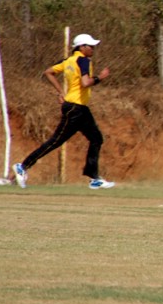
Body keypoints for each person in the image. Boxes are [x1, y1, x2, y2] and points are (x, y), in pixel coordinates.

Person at [12, 33, 115, 190]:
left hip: (78, 107)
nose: (93, 49)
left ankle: (94, 177)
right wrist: (100, 77)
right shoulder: (83, 60)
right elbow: (85, 82)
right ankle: (23, 166)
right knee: (56, 141)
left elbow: (48, 72)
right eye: (90, 46)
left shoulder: (68, 61)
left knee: (96, 138)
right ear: (82, 47)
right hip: (75, 108)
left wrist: (60, 92)